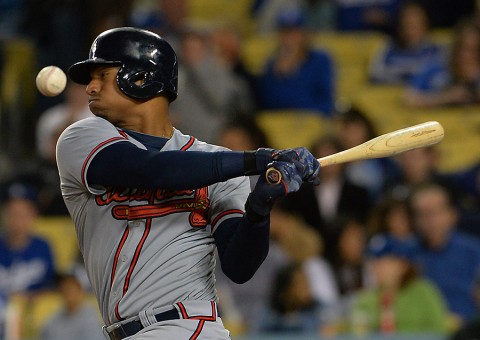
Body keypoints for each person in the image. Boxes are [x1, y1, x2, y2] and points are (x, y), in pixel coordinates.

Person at [55, 27, 320, 340]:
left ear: (141, 78)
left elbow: (239, 266)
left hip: (189, 326)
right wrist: (256, 160)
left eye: (102, 74)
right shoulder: (81, 138)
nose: (90, 88)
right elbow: (151, 170)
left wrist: (260, 208)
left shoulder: (216, 164)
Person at [409, 182, 480, 325]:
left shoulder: (474, 250)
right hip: (420, 332)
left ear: (452, 214)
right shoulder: (406, 253)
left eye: (434, 212)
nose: (429, 220)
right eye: (422, 214)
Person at [350, 233, 449, 334]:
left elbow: (438, 331)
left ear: (403, 264)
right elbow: (356, 333)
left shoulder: (424, 292)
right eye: (375, 261)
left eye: (386, 260)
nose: (378, 267)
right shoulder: (366, 299)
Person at [256, 7, 335, 117]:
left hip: (312, 122)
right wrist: (281, 76)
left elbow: (325, 104)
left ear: (304, 34)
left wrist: (291, 77)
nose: (289, 38)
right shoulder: (272, 64)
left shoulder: (320, 60)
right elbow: (269, 104)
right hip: (280, 125)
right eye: (284, 33)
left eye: (294, 33)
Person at [404, 19, 480, 108]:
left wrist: (474, 81)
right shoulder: (436, 68)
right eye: (461, 47)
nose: (465, 55)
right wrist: (445, 97)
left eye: (473, 50)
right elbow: (408, 99)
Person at [368, 1, 445, 85]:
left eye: (414, 26)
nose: (409, 31)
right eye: (406, 25)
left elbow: (438, 78)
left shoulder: (437, 51)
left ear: (425, 26)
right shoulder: (387, 49)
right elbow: (375, 75)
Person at [0, 182, 55, 296]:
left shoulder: (42, 247)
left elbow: (51, 287)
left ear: (33, 215)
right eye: (12, 213)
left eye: (22, 214)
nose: (16, 220)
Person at [39, 272, 104, 340]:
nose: (67, 293)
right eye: (64, 289)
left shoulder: (91, 317)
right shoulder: (54, 319)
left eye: (70, 289)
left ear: (80, 290)